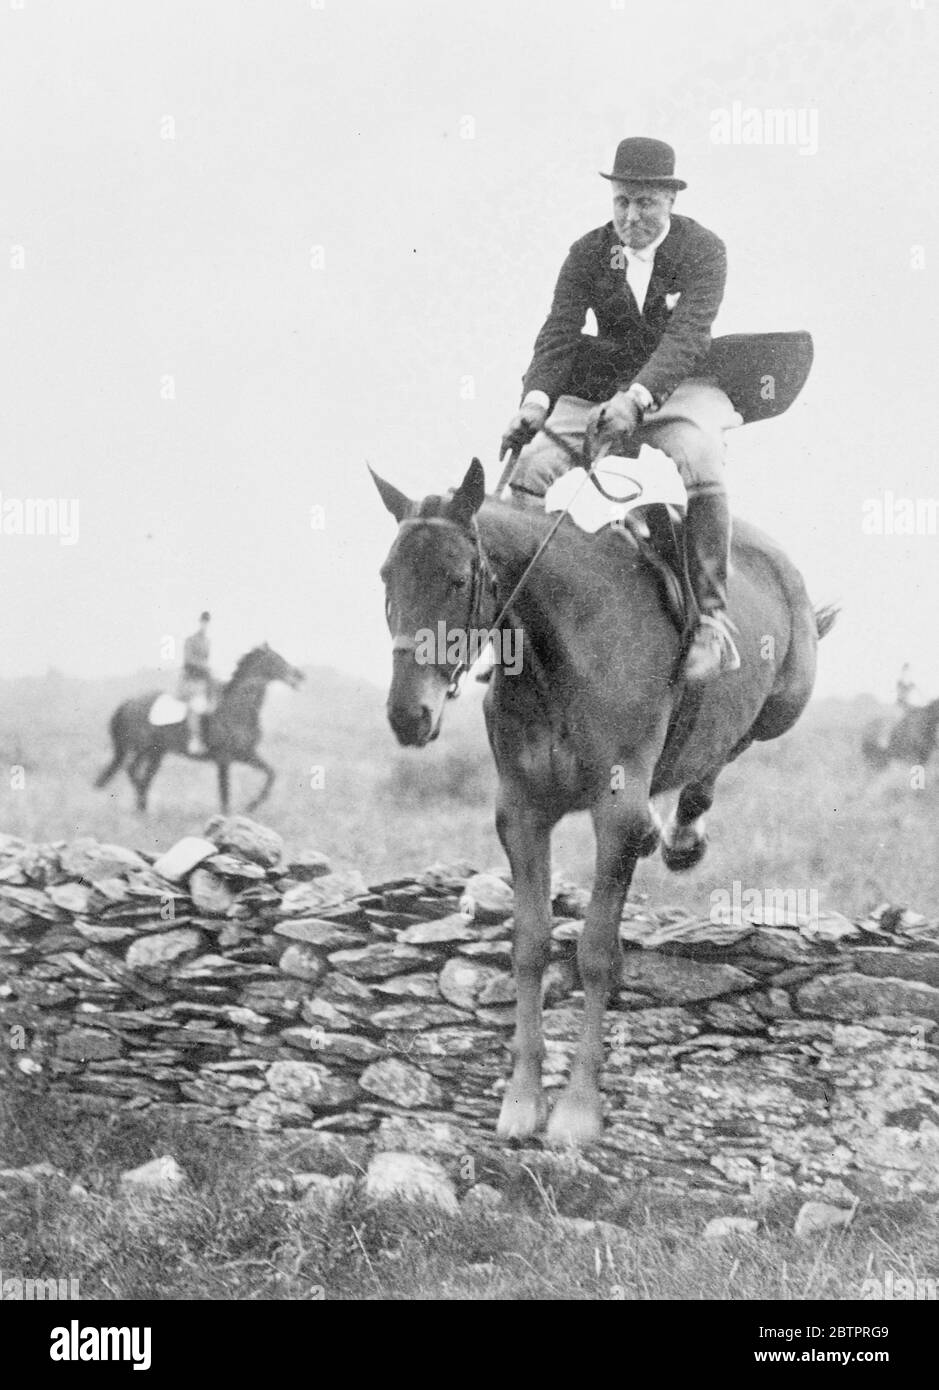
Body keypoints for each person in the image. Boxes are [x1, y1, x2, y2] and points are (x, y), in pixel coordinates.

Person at [501, 136, 744, 682]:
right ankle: (519, 627)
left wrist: (637, 399)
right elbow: (559, 333)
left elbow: (686, 337)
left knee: (700, 453)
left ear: (670, 201)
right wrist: (535, 403)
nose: (631, 216)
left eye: (645, 203)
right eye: (621, 202)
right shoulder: (587, 252)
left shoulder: (705, 251)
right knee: (529, 469)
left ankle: (711, 621)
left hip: (678, 384)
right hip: (598, 388)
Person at [177, 611, 213, 756]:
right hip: (189, 681)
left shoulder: (208, 642)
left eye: (207, 623)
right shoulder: (190, 640)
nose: (205, 625)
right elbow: (188, 660)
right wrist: (204, 667)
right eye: (203, 622)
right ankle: (194, 740)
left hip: (202, 682)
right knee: (195, 705)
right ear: (200, 623)